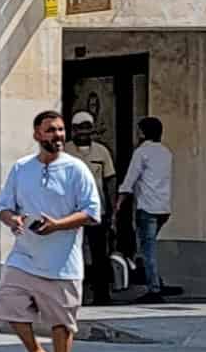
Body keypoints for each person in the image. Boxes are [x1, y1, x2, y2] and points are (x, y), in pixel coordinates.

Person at [0, 107, 102, 352]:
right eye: (51, 130)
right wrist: (12, 219)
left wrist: (58, 225)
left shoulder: (76, 169)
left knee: (61, 322)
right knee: (7, 304)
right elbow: (3, 207)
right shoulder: (21, 168)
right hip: (24, 257)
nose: (58, 135)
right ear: (37, 134)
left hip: (62, 261)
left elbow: (92, 213)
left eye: (60, 130)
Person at [67, 105, 119, 303]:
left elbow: (110, 180)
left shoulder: (102, 151)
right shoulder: (66, 151)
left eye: (87, 127)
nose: (83, 132)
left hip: (97, 211)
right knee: (73, 254)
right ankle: (74, 295)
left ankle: (102, 295)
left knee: (100, 254)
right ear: (73, 130)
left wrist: (113, 209)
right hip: (71, 213)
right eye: (79, 128)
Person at [121, 113, 174, 297]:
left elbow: (130, 180)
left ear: (143, 133)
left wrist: (119, 203)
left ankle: (154, 288)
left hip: (147, 207)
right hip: (163, 208)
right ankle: (155, 280)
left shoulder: (141, 152)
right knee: (147, 246)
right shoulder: (166, 152)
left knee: (147, 249)